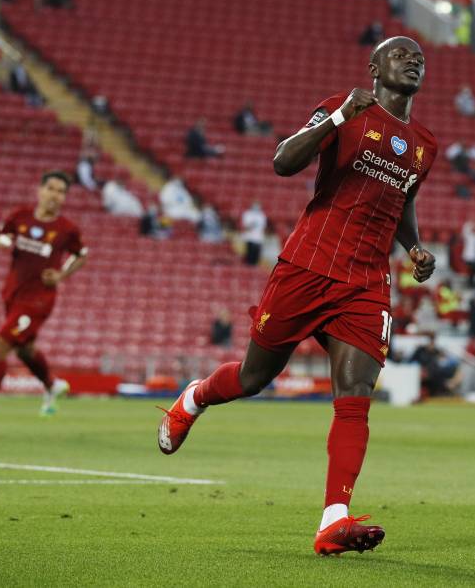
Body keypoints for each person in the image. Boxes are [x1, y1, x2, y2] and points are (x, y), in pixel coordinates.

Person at [156, 36, 438, 556]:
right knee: (254, 377)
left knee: (355, 396)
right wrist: (335, 119)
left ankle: (334, 518)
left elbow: (403, 203)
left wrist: (415, 247)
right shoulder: (343, 108)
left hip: (367, 282)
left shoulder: (424, 145)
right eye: (401, 54)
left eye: (419, 57)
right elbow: (283, 163)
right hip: (309, 265)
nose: (414, 60)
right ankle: (195, 397)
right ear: (374, 67)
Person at [0, 171, 88, 432]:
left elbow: (81, 255)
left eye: (61, 191)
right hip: (13, 294)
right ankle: (51, 385)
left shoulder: (67, 229)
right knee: (25, 349)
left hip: (39, 300)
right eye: (51, 189)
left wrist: (61, 274)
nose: (55, 195)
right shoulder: (19, 216)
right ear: (40, 190)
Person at [240, 201, 267, 266]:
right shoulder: (247, 214)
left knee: (256, 257)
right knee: (249, 256)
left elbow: (263, 227)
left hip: (258, 238)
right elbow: (246, 226)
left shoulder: (262, 215)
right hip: (249, 237)